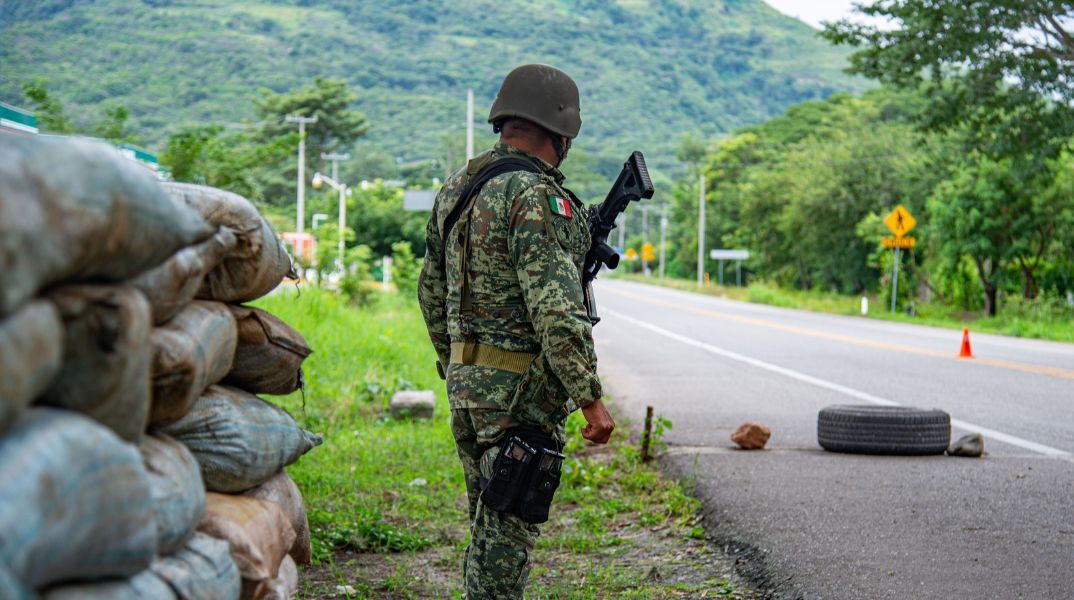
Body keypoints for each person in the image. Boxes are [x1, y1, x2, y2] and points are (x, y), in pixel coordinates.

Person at [417, 63, 615, 598]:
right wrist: (590, 398)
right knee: (504, 544)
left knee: (488, 527)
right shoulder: (533, 195)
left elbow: (429, 292)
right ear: (562, 132)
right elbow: (556, 310)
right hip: (521, 400)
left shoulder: (457, 187)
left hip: (467, 391)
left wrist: (455, 365)